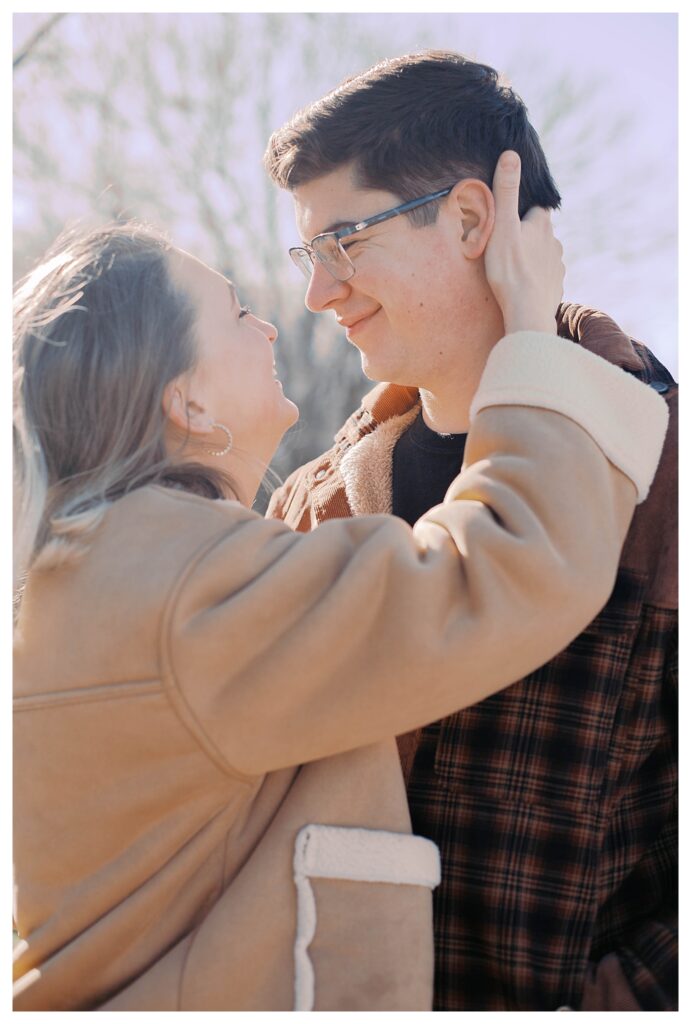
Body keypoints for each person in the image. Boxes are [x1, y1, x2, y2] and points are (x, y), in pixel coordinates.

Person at [12, 156, 667, 1011]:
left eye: (348, 242)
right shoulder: (182, 581)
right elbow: (502, 570)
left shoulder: (94, 568)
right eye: (238, 313)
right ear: (187, 405)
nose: (277, 321)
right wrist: (531, 338)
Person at [264, 51, 678, 1011]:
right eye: (307, 253)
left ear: (467, 220)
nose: (318, 292)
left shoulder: (664, 477)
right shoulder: (311, 506)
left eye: (344, 241)